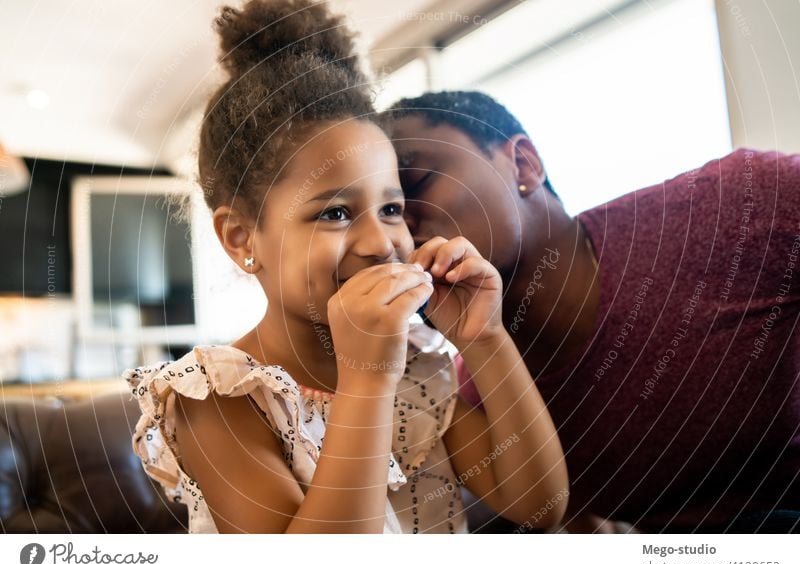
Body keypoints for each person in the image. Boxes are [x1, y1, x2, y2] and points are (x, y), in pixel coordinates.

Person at [124, 2, 567, 534]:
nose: (381, 243)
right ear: (242, 238)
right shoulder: (219, 397)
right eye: (334, 213)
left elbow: (540, 504)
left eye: (392, 209)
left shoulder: (415, 368)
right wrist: (366, 382)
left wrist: (486, 339)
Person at [380, 90, 800, 533]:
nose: (398, 226)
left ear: (524, 164)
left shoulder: (741, 206)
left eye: (418, 182)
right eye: (388, 208)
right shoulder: (481, 398)